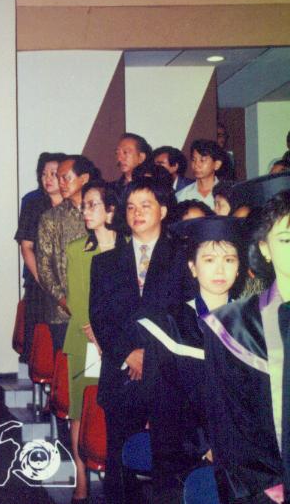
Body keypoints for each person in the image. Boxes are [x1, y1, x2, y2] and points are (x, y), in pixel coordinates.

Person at [89, 177, 189, 503]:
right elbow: (100, 317)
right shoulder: (104, 263)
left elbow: (186, 315)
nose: (137, 213)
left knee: (168, 467)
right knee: (119, 468)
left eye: (146, 206)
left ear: (163, 210)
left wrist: (152, 355)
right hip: (121, 373)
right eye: (131, 207)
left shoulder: (184, 258)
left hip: (168, 375)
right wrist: (128, 353)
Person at [139, 217, 244, 502]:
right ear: (193, 267)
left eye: (229, 259)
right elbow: (162, 405)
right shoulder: (169, 326)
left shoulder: (253, 325)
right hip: (183, 461)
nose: (220, 269)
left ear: (239, 267)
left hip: (244, 460)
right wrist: (205, 445)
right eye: (209, 260)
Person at [199, 190, 290, 503]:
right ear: (264, 248)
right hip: (268, 489)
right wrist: (269, 485)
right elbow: (229, 424)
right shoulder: (233, 326)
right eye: (286, 240)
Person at [61, 179, 118, 504]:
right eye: (84, 205)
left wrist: (112, 338)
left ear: (111, 210)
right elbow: (78, 302)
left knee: (114, 411)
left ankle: (115, 476)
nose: (85, 211)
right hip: (85, 341)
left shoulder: (128, 246)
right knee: (80, 412)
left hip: (118, 342)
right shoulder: (76, 250)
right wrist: (96, 336)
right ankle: (80, 477)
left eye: (92, 204)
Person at [36, 155, 100, 349]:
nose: (61, 183)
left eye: (66, 177)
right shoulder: (50, 218)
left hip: (100, 310)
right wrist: (64, 301)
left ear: (84, 178)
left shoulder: (102, 213)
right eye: (59, 178)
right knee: (67, 366)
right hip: (63, 314)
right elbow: (44, 267)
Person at [15, 152, 66, 361]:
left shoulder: (76, 204)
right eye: (44, 174)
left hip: (69, 286)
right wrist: (44, 280)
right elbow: (26, 246)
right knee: (40, 349)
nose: (48, 179)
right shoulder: (33, 203)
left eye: (53, 174)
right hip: (39, 283)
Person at [175, 140, 226, 208]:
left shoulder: (227, 194)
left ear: (217, 164)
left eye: (202, 160)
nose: (196, 165)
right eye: (193, 160)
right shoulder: (181, 196)